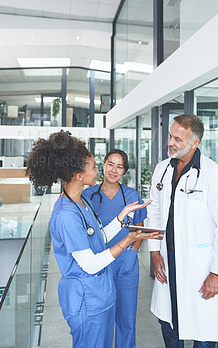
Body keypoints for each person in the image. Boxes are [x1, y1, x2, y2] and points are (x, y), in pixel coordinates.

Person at [26, 130, 161, 348]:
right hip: (86, 300)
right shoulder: (66, 214)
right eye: (94, 166)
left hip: (100, 296)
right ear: (79, 175)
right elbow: (89, 263)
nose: (99, 169)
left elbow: (98, 237)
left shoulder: (82, 203)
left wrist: (121, 216)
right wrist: (126, 242)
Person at [147, 114, 218, 348]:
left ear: (194, 143)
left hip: (200, 265)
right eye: (170, 136)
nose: (170, 142)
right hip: (168, 260)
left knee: (204, 335)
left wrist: (217, 274)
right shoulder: (161, 170)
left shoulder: (214, 175)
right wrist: (155, 252)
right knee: (168, 325)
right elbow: (154, 213)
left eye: (177, 138)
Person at [82, 149, 146, 348]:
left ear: (124, 171)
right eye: (110, 164)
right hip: (99, 268)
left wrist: (132, 252)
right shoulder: (87, 195)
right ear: (103, 165)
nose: (114, 170)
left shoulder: (132, 196)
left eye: (119, 167)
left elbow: (140, 227)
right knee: (101, 321)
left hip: (126, 269)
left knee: (126, 319)